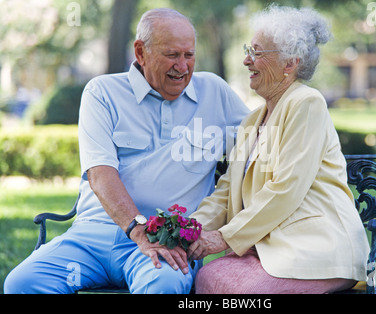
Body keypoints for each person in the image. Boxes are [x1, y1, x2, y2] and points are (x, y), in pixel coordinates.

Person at [4, 8, 249, 294]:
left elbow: (264, 138)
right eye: (171, 55)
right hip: (93, 237)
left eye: (189, 55)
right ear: (141, 52)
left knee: (164, 286)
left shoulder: (215, 93)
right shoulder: (102, 92)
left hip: (167, 242)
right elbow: (100, 175)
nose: (182, 67)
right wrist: (138, 230)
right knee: (22, 283)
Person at [187, 5, 370, 294]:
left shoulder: (307, 103)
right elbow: (224, 193)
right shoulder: (251, 120)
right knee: (209, 276)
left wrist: (224, 237)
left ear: (290, 64)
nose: (246, 60)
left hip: (315, 250)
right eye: (249, 50)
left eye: (257, 53)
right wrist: (187, 230)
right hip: (269, 250)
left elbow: (286, 187)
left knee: (245, 293)